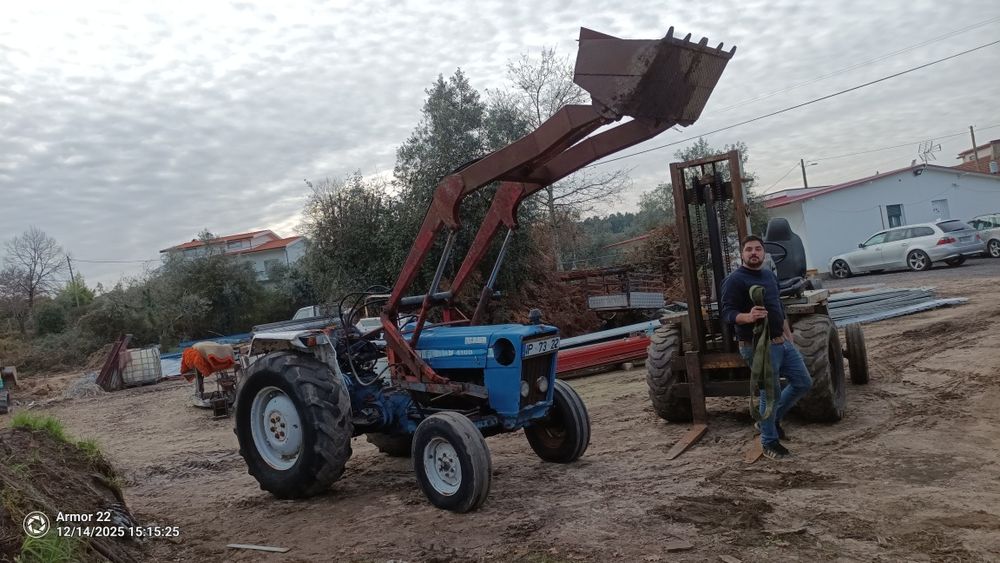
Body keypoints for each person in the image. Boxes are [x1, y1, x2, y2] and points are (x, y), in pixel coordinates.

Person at [720, 235, 812, 460]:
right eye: (749, 249)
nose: (754, 253)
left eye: (758, 249)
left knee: (803, 382)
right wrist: (748, 317)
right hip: (757, 347)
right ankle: (769, 442)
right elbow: (727, 313)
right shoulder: (734, 280)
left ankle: (767, 420)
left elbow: (778, 307)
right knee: (769, 393)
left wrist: (789, 337)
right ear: (741, 254)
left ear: (764, 253)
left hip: (782, 342)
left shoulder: (769, 275)